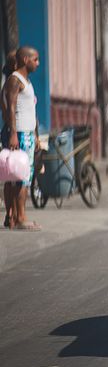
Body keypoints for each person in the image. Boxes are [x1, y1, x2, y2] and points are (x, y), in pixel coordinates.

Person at [1, 47, 41, 230]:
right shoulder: (15, 80)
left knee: (19, 177)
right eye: (36, 59)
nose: (38, 63)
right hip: (21, 134)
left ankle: (15, 217)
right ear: (25, 60)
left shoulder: (25, 80)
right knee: (20, 177)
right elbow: (10, 108)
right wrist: (13, 133)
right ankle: (20, 218)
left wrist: (36, 135)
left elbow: (30, 110)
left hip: (27, 133)